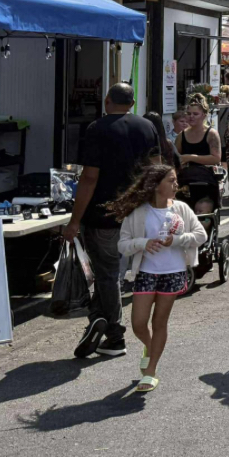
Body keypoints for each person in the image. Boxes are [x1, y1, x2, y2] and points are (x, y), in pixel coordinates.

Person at [66, 83, 159, 360]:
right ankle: (98, 319)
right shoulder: (147, 127)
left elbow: (90, 177)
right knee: (112, 274)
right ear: (131, 103)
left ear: (107, 101)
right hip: (139, 212)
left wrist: (74, 220)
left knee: (107, 274)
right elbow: (156, 170)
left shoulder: (97, 129)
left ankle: (116, 335)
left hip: (105, 214)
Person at [113, 164, 206, 393]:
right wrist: (143, 244)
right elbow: (122, 245)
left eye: (175, 180)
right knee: (138, 323)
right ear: (155, 186)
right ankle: (149, 346)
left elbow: (201, 235)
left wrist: (176, 240)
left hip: (173, 273)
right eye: (171, 181)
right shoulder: (138, 212)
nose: (176, 185)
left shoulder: (182, 209)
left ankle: (151, 371)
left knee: (159, 322)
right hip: (146, 273)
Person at [176, 94, 222, 214]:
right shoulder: (182, 135)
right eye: (189, 113)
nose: (191, 117)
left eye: (195, 114)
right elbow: (176, 158)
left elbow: (216, 158)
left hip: (205, 179)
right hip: (186, 179)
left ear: (204, 115)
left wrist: (190, 157)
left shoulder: (211, 134)